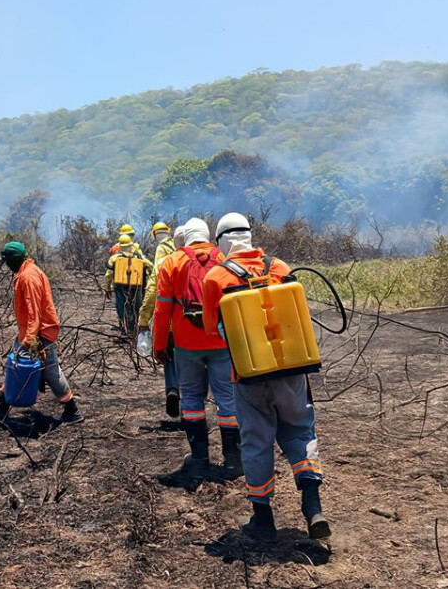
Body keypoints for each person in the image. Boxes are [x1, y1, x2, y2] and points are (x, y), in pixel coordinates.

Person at [201, 212, 330, 542]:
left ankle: (263, 519)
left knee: (257, 442)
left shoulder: (216, 277)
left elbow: (210, 330)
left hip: (248, 377)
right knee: (300, 432)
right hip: (292, 371)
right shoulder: (280, 267)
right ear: (249, 235)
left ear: (222, 242)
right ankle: (313, 508)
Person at [152, 218, 241, 478]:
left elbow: (162, 308)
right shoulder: (224, 257)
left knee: (191, 400)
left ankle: (200, 460)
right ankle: (233, 461)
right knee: (227, 399)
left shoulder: (173, 261)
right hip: (222, 341)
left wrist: (160, 345)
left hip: (185, 344)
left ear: (186, 237)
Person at [0, 241, 82, 423]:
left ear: (13, 260)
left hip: (39, 333)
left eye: (7, 262)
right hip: (32, 331)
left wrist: (31, 339)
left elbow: (34, 311)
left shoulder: (27, 277)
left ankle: (72, 409)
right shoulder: (29, 271)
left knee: (51, 371)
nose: (6, 266)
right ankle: (1, 408)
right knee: (13, 367)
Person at [137, 222, 180, 417]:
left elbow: (155, 284)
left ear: (155, 235)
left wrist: (143, 318)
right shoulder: (182, 248)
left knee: (170, 355)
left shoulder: (162, 251)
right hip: (194, 319)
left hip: (171, 317)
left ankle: (173, 389)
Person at [104, 234, 153, 337]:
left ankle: (124, 328)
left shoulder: (114, 258)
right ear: (131, 244)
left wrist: (107, 287)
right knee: (136, 306)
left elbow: (108, 273)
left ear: (120, 245)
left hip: (120, 286)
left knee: (121, 307)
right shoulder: (138, 257)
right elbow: (150, 266)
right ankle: (136, 328)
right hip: (136, 286)